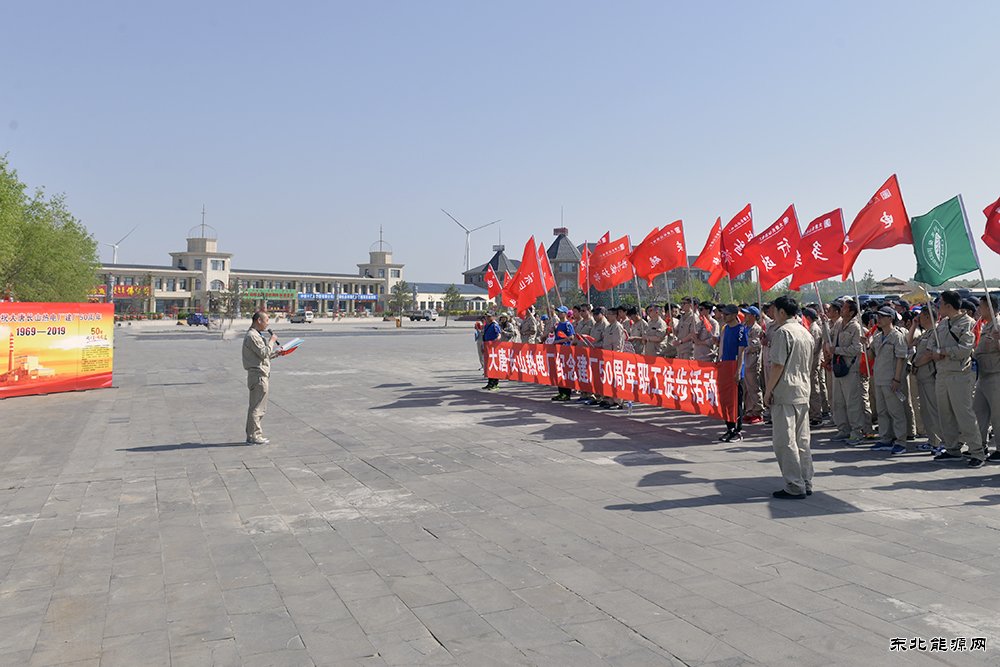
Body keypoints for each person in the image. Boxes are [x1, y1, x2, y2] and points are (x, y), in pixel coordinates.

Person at [763, 295, 815, 499]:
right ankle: (806, 480)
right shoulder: (805, 332)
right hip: (802, 390)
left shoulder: (783, 332)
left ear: (782, 312)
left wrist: (768, 390)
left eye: (774, 311)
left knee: (785, 441)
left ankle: (794, 484)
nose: (772, 315)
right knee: (802, 440)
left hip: (785, 391)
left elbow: (777, 365)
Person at [931, 290, 985, 467]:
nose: (938, 307)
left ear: (948, 305)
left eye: (940, 303)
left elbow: (964, 349)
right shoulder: (942, 323)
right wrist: (937, 352)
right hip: (942, 374)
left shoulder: (968, 323)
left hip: (959, 374)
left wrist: (943, 352)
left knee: (964, 415)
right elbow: (932, 344)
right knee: (945, 414)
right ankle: (952, 449)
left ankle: (977, 451)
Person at [869, 307, 909, 455]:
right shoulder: (878, 337)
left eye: (882, 316)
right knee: (882, 411)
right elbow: (871, 355)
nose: (878, 319)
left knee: (896, 411)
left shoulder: (897, 336)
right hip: (879, 378)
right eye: (878, 316)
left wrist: (897, 379)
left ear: (890, 318)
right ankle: (885, 438)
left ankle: (901, 441)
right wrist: (866, 344)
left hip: (891, 379)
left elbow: (900, 358)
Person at [827, 299, 866, 445]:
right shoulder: (838, 324)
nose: (842, 310)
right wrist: (825, 324)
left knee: (852, 402)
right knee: (838, 401)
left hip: (850, 368)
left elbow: (856, 349)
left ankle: (857, 431)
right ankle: (843, 429)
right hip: (837, 367)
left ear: (851, 312)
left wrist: (837, 350)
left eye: (845, 308)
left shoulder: (855, 327)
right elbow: (829, 337)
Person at [243, 311, 281, 445]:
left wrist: (276, 353)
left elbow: (262, 356)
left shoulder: (256, 335)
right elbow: (263, 352)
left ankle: (252, 435)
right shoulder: (252, 336)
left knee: (257, 406)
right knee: (257, 408)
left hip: (259, 374)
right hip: (258, 376)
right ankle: (254, 436)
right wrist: (272, 341)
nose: (267, 324)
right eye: (266, 321)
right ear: (259, 320)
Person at [910, 307, 942, 452]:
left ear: (928, 316)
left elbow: (929, 355)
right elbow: (909, 342)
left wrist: (916, 364)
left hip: (930, 376)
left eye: (921, 316)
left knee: (932, 410)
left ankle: (938, 442)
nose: (919, 319)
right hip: (922, 376)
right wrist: (914, 325)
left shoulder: (935, 332)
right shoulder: (925, 333)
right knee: (925, 410)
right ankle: (931, 440)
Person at [974, 295, 1000, 461]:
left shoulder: (998, 325)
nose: (978, 310)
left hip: (996, 375)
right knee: (979, 412)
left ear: (990, 307)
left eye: (981, 306)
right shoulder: (986, 325)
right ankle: (980, 446)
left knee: (998, 415)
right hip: (983, 376)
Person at [718, 304, 748, 442]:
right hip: (725, 367)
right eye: (723, 314)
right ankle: (729, 428)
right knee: (725, 400)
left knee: (736, 401)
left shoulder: (741, 329)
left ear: (734, 315)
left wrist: (738, 371)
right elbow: (721, 347)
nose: (724, 316)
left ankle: (737, 430)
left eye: (727, 314)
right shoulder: (725, 328)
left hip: (735, 368)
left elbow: (741, 352)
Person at [599, 306, 629, 410]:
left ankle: (618, 401)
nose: (607, 316)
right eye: (607, 314)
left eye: (610, 314)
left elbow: (618, 344)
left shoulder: (618, 327)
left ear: (615, 316)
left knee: (617, 380)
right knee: (609, 379)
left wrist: (615, 356)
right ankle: (611, 399)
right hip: (607, 356)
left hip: (615, 357)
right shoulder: (608, 327)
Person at [742, 306, 764, 424]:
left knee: (754, 387)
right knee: (746, 387)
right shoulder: (744, 327)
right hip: (744, 361)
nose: (745, 316)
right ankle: (749, 410)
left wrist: (742, 349)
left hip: (752, 361)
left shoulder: (756, 329)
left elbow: (754, 345)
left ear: (754, 316)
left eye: (748, 314)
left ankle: (758, 411)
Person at [551, 306, 575, 401]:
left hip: (565, 350)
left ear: (565, 313)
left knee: (565, 372)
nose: (559, 314)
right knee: (559, 371)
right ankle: (561, 392)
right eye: (558, 312)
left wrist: (559, 341)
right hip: (557, 350)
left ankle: (566, 393)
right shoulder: (558, 324)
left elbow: (571, 337)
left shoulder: (568, 324)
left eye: (561, 312)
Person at [481, 313, 502, 390]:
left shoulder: (494, 325)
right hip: (487, 347)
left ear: (493, 317)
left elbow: (499, 335)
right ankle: (490, 382)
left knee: (494, 365)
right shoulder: (486, 325)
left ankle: (495, 383)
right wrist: (482, 345)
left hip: (493, 348)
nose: (487, 318)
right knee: (488, 365)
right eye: (486, 316)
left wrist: (495, 342)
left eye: (489, 316)